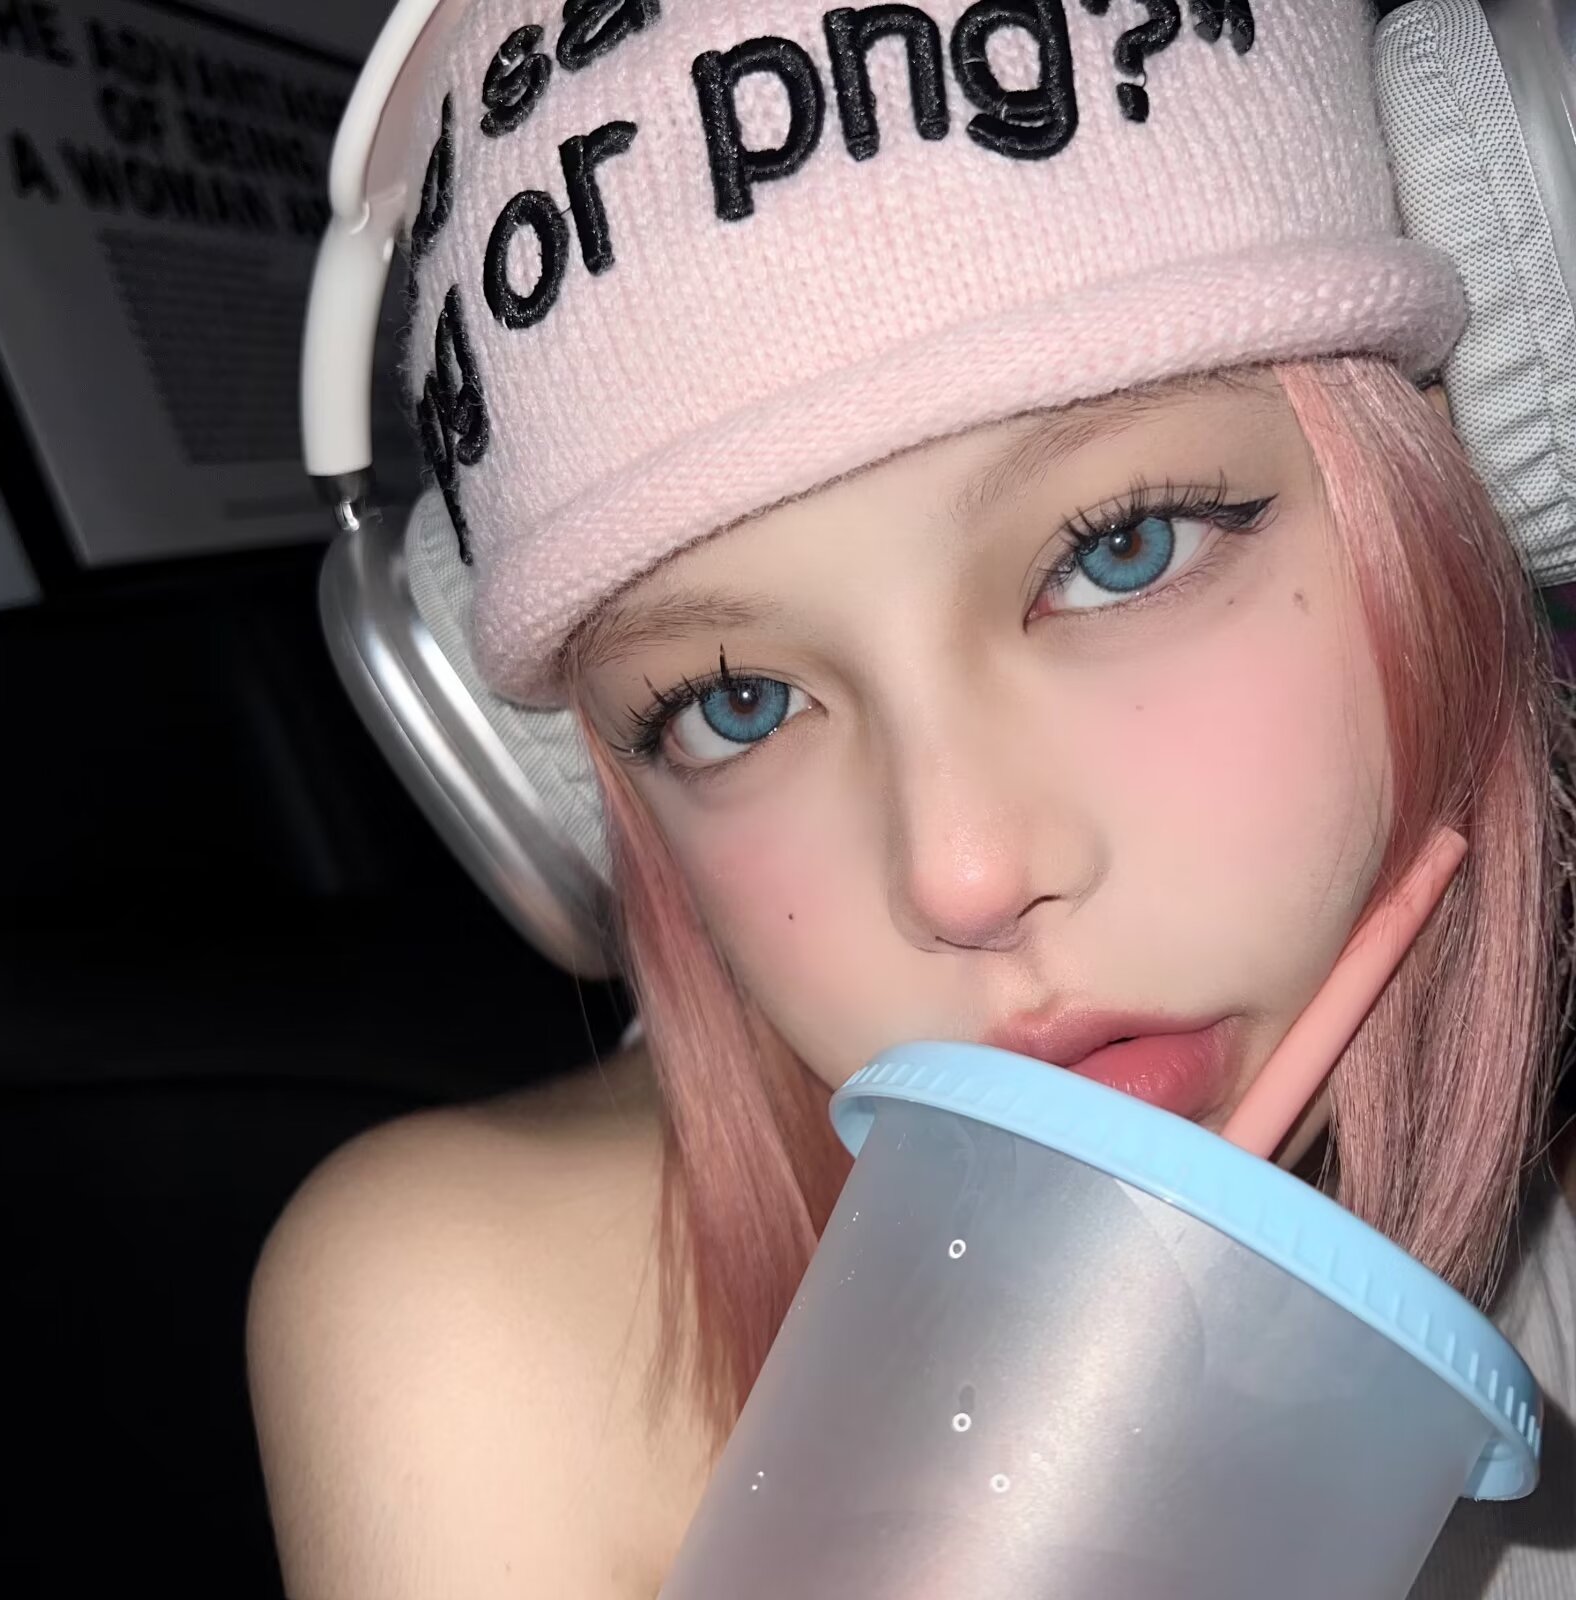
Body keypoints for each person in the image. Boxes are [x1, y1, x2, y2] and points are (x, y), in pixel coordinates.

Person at [247, 2, 1576, 1595]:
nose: (963, 872)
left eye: (1122, 548)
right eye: (733, 705)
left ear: (1462, 476)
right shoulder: (483, 1339)